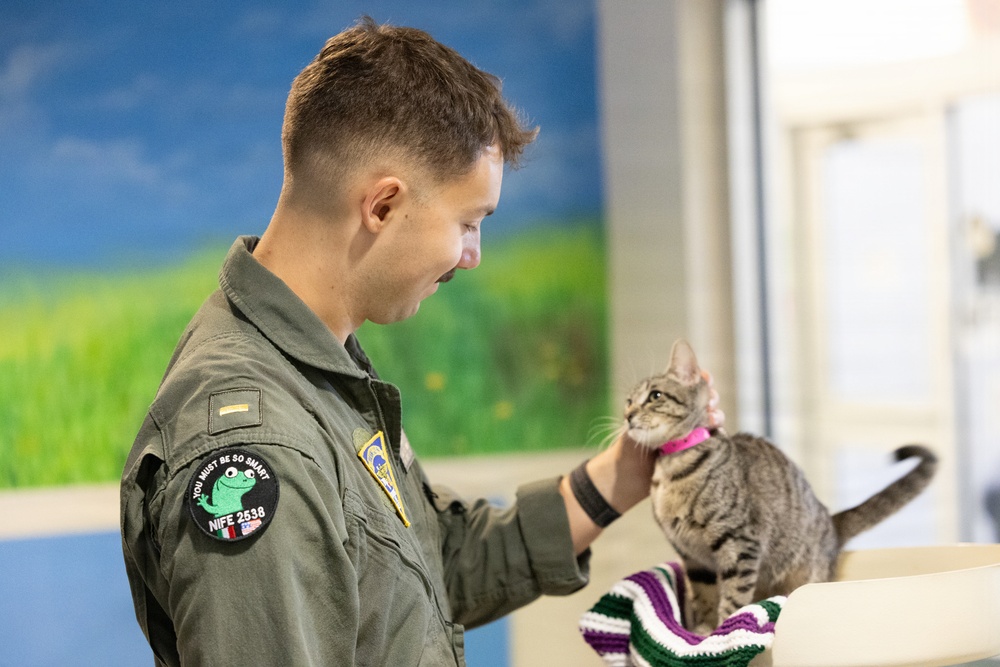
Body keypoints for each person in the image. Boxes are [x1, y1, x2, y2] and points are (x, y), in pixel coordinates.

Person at [120, 17, 723, 666]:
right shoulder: (261, 444)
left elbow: (430, 569)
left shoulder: (320, 371)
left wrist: (621, 473)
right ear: (382, 206)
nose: (473, 257)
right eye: (468, 222)